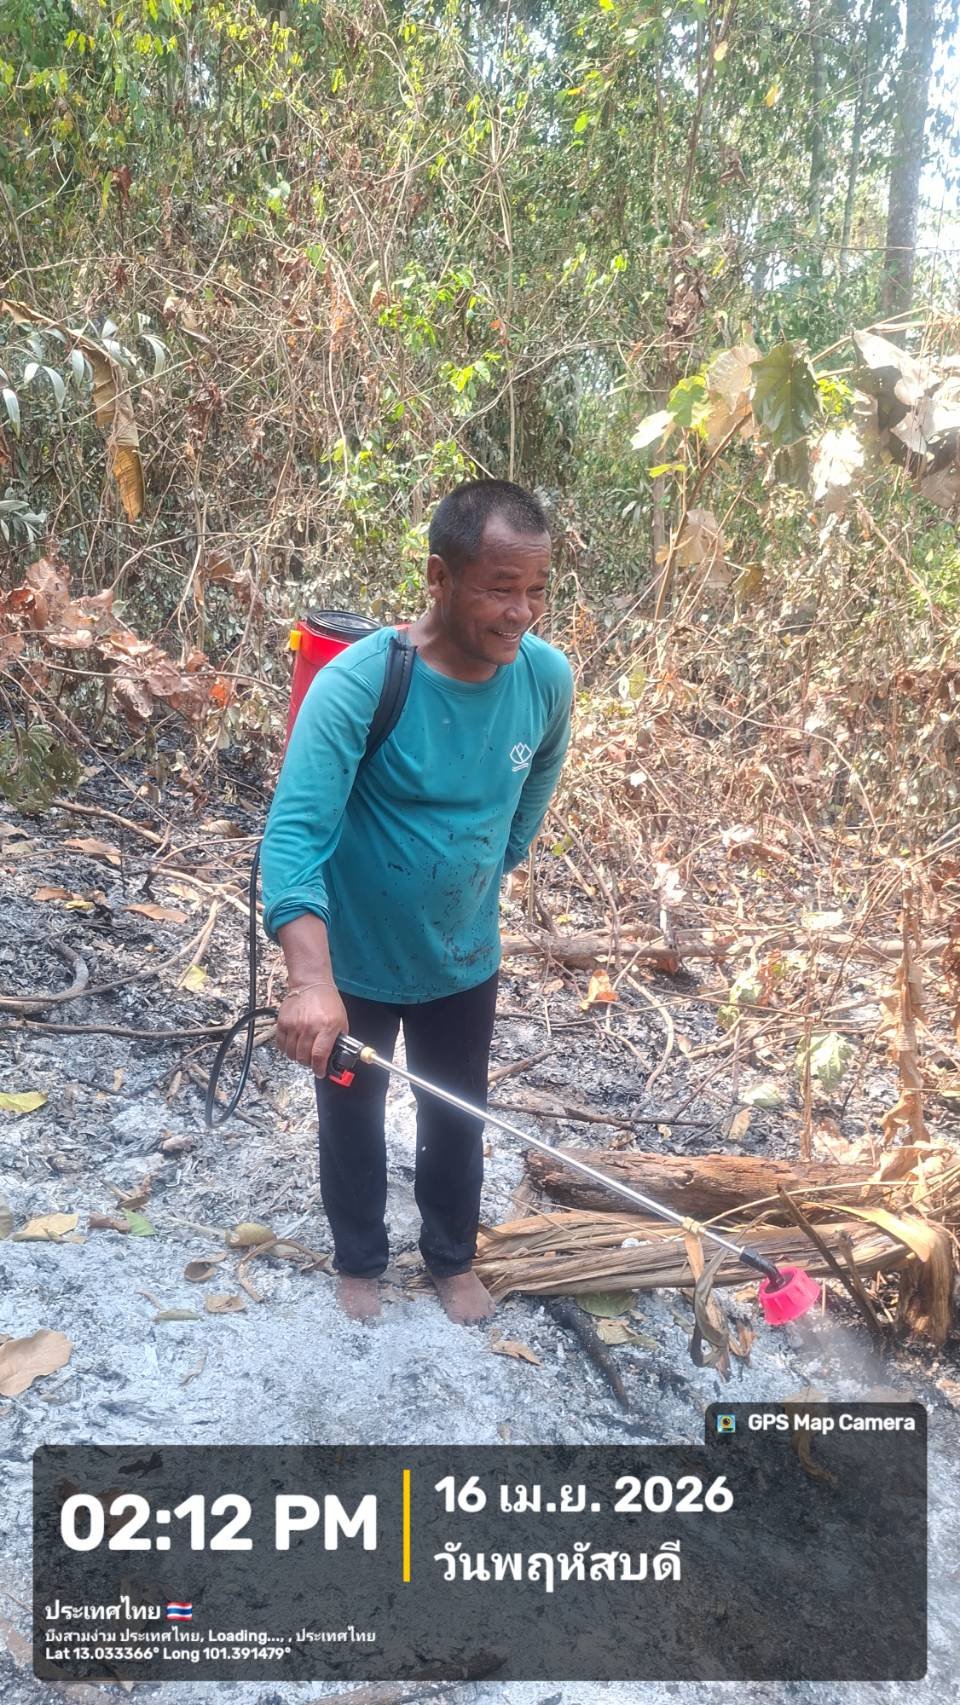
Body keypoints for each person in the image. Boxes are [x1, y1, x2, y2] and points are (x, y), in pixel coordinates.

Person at [261, 479, 573, 1325]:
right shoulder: (361, 684)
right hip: (355, 966)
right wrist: (310, 980)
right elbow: (293, 837)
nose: (521, 612)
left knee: (457, 1113)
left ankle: (449, 1255)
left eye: (537, 589)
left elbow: (535, 784)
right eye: (500, 588)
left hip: (462, 957)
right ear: (439, 576)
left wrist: (491, 865)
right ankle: (359, 1257)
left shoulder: (546, 680)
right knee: (352, 1111)